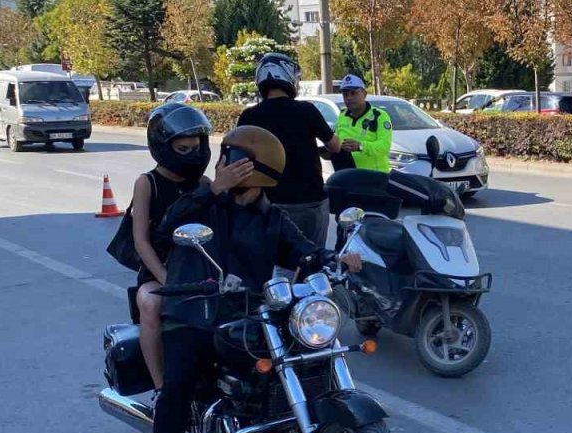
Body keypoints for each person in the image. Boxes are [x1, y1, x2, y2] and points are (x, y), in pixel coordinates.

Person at [133, 125, 363, 433]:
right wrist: (213, 189)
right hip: (192, 312)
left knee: (305, 358)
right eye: (223, 160)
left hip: (247, 317)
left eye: (228, 159)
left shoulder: (272, 218)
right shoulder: (202, 204)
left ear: (251, 169)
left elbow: (304, 253)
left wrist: (336, 260)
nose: (220, 165)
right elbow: (168, 227)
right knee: (177, 387)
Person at [131, 103, 213, 392]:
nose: (192, 154)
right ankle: (160, 387)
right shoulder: (147, 184)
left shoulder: (205, 183)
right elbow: (140, 240)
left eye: (196, 146)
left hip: (202, 269)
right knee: (150, 303)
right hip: (161, 273)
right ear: (164, 146)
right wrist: (167, 280)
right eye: (183, 148)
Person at [237, 53, 343, 249]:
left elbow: (236, 157)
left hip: (266, 201)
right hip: (309, 201)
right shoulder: (306, 110)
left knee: (272, 266)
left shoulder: (249, 115)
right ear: (289, 77)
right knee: (312, 263)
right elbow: (334, 146)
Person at [334, 74, 393, 173]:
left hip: (374, 177)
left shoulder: (379, 116)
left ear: (364, 94)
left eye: (353, 93)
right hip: (347, 176)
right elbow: (337, 140)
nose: (349, 98)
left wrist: (360, 146)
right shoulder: (342, 115)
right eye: (345, 94)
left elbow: (384, 146)